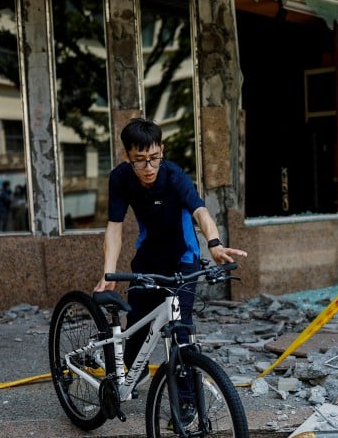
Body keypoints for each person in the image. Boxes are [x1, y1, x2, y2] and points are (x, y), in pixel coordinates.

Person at [94, 117, 247, 374]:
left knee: (180, 330)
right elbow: (115, 226)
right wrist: (108, 272)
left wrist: (215, 245)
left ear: (162, 150)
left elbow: (200, 212)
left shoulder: (174, 176)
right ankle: (132, 372)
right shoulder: (120, 178)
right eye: (140, 159)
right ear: (126, 155)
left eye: (154, 157)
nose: (149, 166)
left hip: (183, 261)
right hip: (148, 259)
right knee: (137, 326)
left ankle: (186, 403)